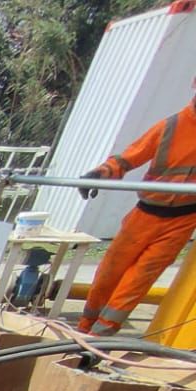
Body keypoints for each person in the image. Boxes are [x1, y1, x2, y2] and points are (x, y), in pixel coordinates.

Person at [77, 80, 196, 336]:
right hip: (145, 215)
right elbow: (129, 157)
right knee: (110, 273)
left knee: (137, 282)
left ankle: (99, 339)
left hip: (182, 220)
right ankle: (84, 328)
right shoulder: (171, 127)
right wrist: (100, 174)